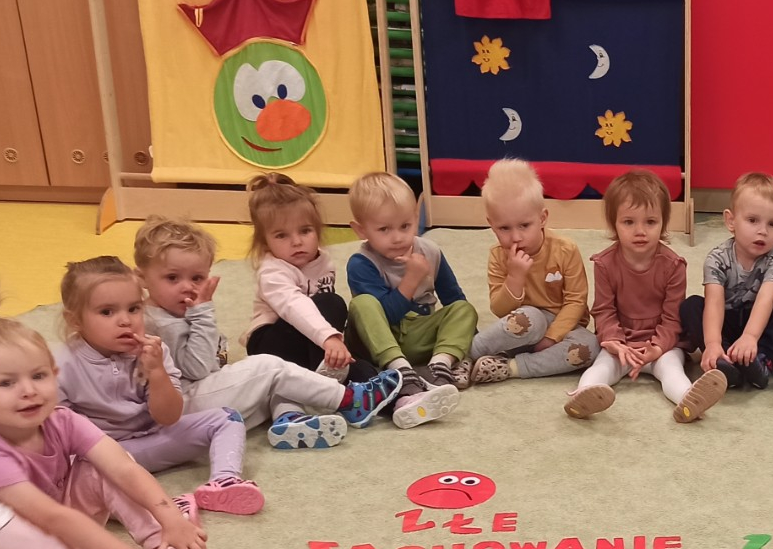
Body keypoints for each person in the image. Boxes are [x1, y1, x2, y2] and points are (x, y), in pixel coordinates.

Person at [0, 297, 209, 549]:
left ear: (55, 374)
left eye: (38, 376)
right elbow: (51, 517)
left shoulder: (62, 420)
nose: (29, 390)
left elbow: (124, 469)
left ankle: (163, 547)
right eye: (6, 383)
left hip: (66, 543)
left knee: (105, 465)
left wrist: (171, 519)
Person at [134, 217, 402, 449]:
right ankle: (349, 400)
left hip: (203, 401)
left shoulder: (175, 312)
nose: (187, 287)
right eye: (172, 278)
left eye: (197, 278)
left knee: (278, 381)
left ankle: (289, 418)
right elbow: (197, 370)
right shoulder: (160, 323)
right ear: (142, 278)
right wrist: (203, 314)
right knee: (267, 367)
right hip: (184, 404)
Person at [54, 256, 263, 515]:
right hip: (105, 457)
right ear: (75, 320)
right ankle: (163, 512)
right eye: (107, 312)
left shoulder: (154, 349)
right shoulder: (61, 365)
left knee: (227, 418)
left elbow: (169, 417)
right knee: (83, 478)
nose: (125, 320)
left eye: (133, 309)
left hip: (154, 439)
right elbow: (59, 436)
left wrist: (156, 372)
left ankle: (224, 481)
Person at [564, 170, 728, 421]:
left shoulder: (673, 265)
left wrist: (657, 347)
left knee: (672, 370)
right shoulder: (605, 264)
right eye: (629, 222)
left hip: (662, 344)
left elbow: (673, 317)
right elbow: (604, 310)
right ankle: (582, 396)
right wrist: (615, 342)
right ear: (614, 224)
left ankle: (689, 401)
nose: (640, 231)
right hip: (622, 343)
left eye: (650, 222)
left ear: (663, 223)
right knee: (602, 367)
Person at [345, 172, 470, 425]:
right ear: (361, 230)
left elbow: (452, 298)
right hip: (381, 340)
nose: (398, 237)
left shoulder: (430, 251)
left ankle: (438, 368)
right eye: (384, 229)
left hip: (420, 336)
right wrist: (412, 279)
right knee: (362, 303)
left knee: (463, 309)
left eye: (405, 226)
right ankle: (400, 371)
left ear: (416, 218)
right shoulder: (361, 263)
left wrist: (468, 340)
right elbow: (386, 315)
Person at [467, 159, 599, 383]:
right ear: (492, 224)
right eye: (504, 228)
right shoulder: (498, 255)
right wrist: (515, 277)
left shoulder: (565, 250)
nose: (516, 237)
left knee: (590, 346)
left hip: (561, 330)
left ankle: (509, 367)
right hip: (522, 326)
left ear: (542, 218)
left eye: (524, 225)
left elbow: (576, 301)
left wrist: (552, 337)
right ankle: (469, 354)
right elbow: (499, 310)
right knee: (532, 317)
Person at [680, 171, 773, 389]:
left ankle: (763, 360)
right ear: (731, 221)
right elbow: (714, 302)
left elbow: (767, 299)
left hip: (760, 323)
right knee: (691, 306)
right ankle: (722, 358)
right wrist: (712, 343)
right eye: (752, 220)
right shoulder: (717, 258)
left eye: (772, 224)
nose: (762, 231)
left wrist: (750, 336)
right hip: (726, 321)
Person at [241, 173, 371, 383]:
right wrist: (328, 338)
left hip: (311, 340)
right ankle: (325, 381)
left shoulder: (323, 261)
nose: (296, 242)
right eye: (281, 235)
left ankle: (394, 396)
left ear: (317, 231)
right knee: (331, 302)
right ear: (265, 242)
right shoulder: (272, 272)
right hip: (270, 345)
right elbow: (294, 305)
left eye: (305, 231)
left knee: (364, 369)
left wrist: (337, 343)